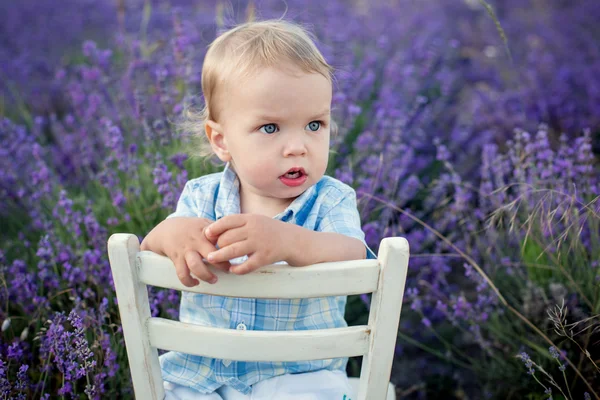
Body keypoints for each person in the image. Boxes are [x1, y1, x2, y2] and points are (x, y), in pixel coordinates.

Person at [140, 19, 376, 400]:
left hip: (299, 376)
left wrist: (290, 241)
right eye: (271, 128)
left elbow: (354, 256)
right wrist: (174, 234)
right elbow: (148, 248)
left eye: (315, 124)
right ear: (221, 139)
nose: (298, 146)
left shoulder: (332, 200)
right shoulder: (201, 197)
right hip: (202, 375)